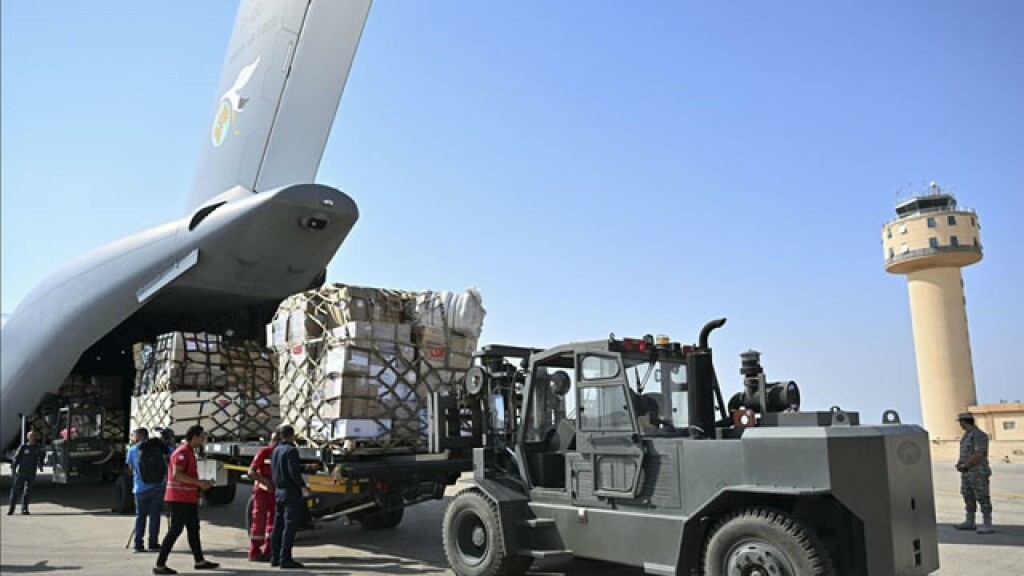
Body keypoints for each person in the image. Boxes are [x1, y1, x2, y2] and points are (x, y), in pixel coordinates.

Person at [153, 425, 220, 575]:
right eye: (202, 436)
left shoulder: (190, 452)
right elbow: (177, 474)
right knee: (175, 531)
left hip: (187, 498)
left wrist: (199, 488)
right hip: (179, 498)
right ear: (194, 437)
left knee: (193, 529)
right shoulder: (182, 452)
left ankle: (199, 560)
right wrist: (199, 483)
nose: (204, 439)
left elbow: (188, 477)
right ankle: (160, 564)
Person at [270, 425, 309, 569]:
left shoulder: (276, 450)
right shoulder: (291, 451)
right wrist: (302, 486)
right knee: (290, 525)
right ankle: (285, 558)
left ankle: (275, 557)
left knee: (278, 525)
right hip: (290, 492)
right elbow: (293, 473)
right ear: (292, 435)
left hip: (279, 490)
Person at [126, 428, 169, 552]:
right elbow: (170, 455)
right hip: (157, 486)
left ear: (138, 436)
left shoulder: (133, 450)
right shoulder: (158, 448)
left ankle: (138, 544)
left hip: (140, 488)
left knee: (140, 516)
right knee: (155, 515)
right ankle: (153, 542)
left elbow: (130, 468)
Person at [954, 412, 994, 534]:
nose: (960, 425)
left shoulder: (979, 435)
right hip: (966, 472)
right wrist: (960, 464)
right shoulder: (966, 435)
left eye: (960, 422)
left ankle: (987, 523)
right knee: (968, 495)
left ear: (964, 422)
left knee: (982, 496)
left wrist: (966, 466)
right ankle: (970, 521)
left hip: (978, 472)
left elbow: (979, 454)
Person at [248, 432, 279, 561]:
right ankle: (254, 552)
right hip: (262, 491)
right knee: (258, 521)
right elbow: (251, 472)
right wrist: (264, 481)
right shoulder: (264, 452)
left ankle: (268, 550)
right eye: (275, 440)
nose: (276, 443)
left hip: (275, 492)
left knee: (273, 521)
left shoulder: (280, 453)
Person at [8, 430, 45, 515]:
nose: (32, 438)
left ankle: (24, 509)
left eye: (33, 437)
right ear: (28, 438)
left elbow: (42, 455)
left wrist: (40, 464)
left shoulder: (37, 448)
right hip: (21, 472)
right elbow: (16, 459)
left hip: (31, 472)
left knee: (27, 491)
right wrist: (13, 470)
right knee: (15, 490)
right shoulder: (23, 447)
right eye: (30, 437)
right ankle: (11, 509)